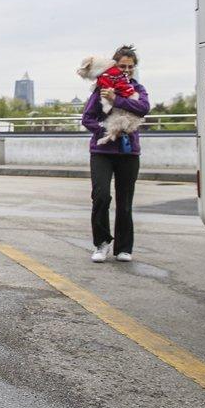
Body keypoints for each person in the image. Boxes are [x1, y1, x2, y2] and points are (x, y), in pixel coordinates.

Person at [81, 45, 150, 263]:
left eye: (130, 66)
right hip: (102, 150)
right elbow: (87, 118)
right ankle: (101, 244)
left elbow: (143, 108)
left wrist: (116, 99)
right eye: (122, 66)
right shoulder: (100, 88)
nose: (127, 70)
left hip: (128, 153)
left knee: (125, 201)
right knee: (100, 196)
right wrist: (108, 131)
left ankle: (124, 248)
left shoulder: (138, 89)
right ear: (114, 66)